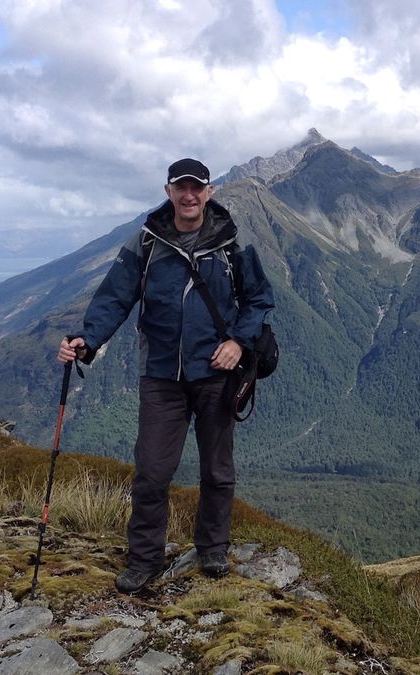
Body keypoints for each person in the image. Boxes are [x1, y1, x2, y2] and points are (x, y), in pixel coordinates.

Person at [57, 158, 274, 594]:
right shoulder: (147, 242)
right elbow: (115, 297)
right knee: (152, 473)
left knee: (217, 469)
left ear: (209, 192)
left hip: (216, 372)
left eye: (197, 188)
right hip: (160, 375)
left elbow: (259, 299)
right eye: (181, 188)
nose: (189, 195)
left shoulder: (232, 242)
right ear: (169, 191)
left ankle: (212, 548)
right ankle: (144, 560)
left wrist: (237, 343)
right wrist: (87, 339)